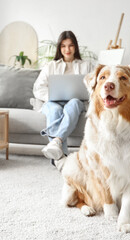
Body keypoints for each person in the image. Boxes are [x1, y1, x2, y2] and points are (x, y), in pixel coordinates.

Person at [33, 31, 94, 166]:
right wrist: (52, 96)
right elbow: (38, 88)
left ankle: (57, 143)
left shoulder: (87, 65)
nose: (67, 49)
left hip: (75, 100)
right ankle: (61, 156)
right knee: (54, 111)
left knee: (73, 104)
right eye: (63, 46)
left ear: (76, 47)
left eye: (71, 46)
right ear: (59, 48)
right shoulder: (51, 66)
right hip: (53, 101)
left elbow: (94, 86)